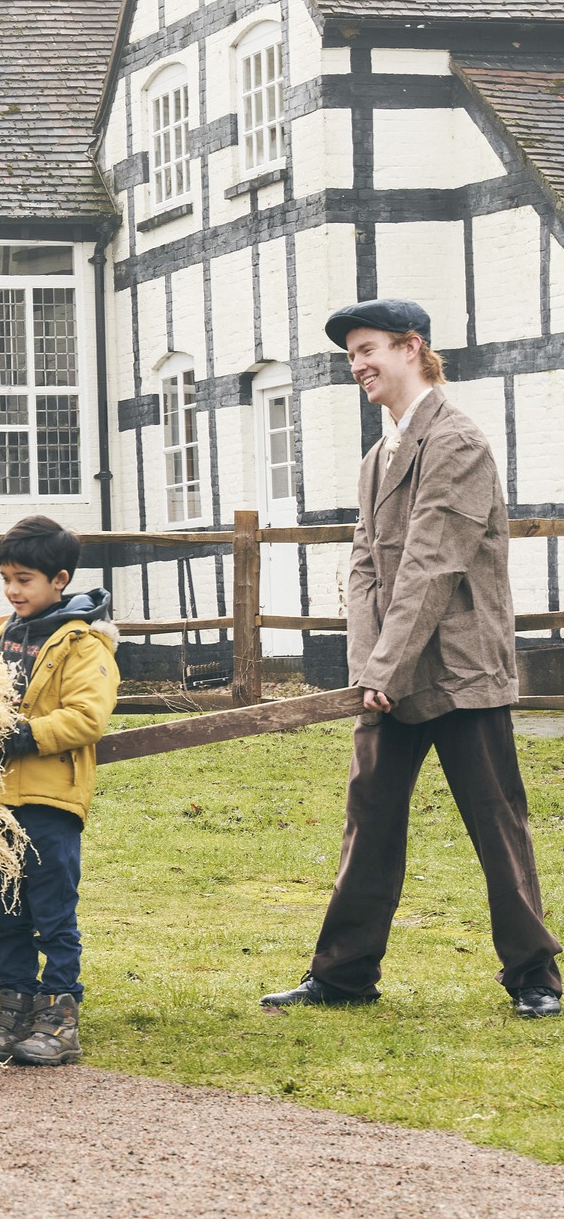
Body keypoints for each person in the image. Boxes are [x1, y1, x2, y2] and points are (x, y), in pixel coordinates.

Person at [262, 299, 561, 1020]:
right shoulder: (378, 456)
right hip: (387, 677)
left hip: (458, 670)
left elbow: (431, 566)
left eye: (367, 349)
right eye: (350, 356)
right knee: (369, 818)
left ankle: (535, 976)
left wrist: (382, 671)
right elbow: (364, 570)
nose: (358, 364)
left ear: (410, 347)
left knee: (494, 820)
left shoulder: (455, 441)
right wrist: (371, 669)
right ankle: (341, 975)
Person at [0, 517, 118, 1065]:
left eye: (24, 579)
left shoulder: (84, 644)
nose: (12, 590)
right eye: (6, 577)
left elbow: (86, 718)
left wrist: (22, 735)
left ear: (59, 579)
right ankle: (13, 1013)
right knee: (6, 912)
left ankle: (60, 1019)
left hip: (50, 800)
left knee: (52, 910)